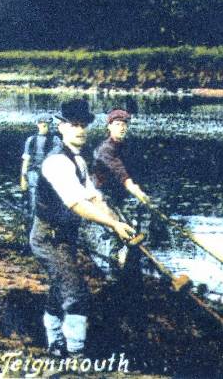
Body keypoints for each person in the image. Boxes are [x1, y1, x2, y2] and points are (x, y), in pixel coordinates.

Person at [30, 99, 136, 357]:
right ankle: (76, 355)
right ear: (61, 127)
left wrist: (119, 224)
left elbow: (94, 198)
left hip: (65, 237)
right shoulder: (56, 162)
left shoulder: (78, 160)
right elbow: (77, 204)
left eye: (83, 125)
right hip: (47, 238)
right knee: (77, 295)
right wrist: (112, 223)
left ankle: (54, 343)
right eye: (73, 125)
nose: (80, 130)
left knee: (60, 288)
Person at [91, 109, 149, 279]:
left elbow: (133, 171)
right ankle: (112, 274)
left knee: (131, 232)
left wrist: (141, 192)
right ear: (109, 127)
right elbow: (121, 173)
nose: (122, 128)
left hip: (119, 196)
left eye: (124, 124)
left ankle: (127, 272)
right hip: (103, 197)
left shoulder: (125, 147)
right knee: (117, 233)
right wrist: (137, 191)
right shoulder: (105, 150)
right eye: (117, 124)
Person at [19, 113, 62, 240]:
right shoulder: (31, 140)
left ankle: (52, 232)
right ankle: (31, 233)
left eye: (46, 124)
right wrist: (23, 178)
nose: (44, 127)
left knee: (52, 203)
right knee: (32, 203)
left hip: (49, 175)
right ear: (37, 125)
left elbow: (57, 160)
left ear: (50, 125)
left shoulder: (56, 141)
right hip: (33, 175)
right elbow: (26, 161)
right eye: (41, 124)